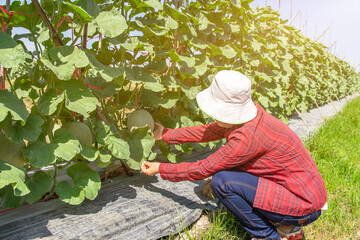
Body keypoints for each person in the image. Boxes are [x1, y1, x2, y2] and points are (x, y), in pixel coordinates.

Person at [141, 70, 327, 240]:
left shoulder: (246, 138)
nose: (214, 115)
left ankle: (267, 235)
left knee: (223, 181)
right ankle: (288, 228)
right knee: (233, 169)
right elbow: (205, 132)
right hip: (306, 193)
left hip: (303, 204)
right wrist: (165, 134)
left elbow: (202, 168)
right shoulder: (251, 117)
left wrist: (161, 168)